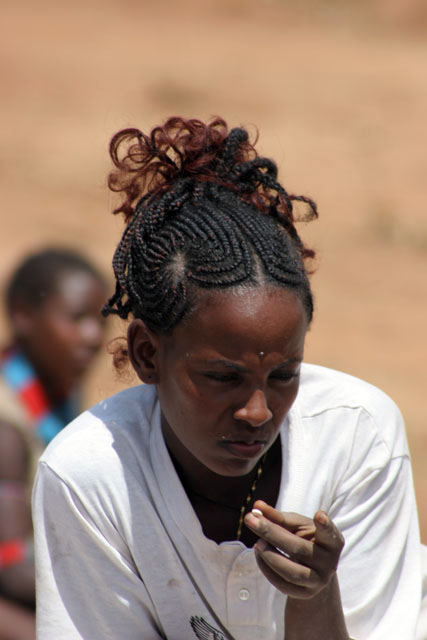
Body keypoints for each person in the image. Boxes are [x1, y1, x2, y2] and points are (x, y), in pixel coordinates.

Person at [32, 118, 421, 640]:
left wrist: (315, 595)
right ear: (147, 354)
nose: (258, 412)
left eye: (284, 374)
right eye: (221, 377)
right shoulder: (90, 475)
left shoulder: (354, 436)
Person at [0, 248, 107, 640]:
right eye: (77, 319)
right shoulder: (7, 428)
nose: (94, 337)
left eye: (100, 322)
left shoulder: (57, 395)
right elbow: (11, 568)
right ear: (24, 315)